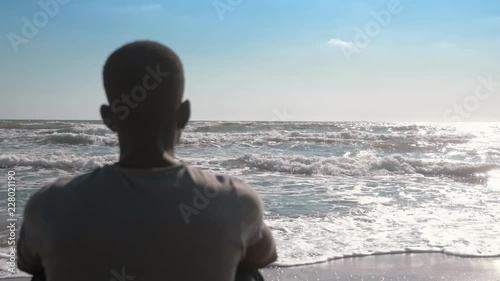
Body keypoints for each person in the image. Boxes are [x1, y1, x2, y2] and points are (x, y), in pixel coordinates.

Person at [17, 40, 277, 281]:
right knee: (245, 270)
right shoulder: (234, 200)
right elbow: (265, 255)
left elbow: (27, 264)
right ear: (185, 114)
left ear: (108, 117)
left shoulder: (49, 203)